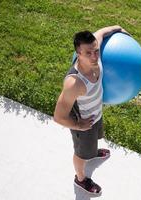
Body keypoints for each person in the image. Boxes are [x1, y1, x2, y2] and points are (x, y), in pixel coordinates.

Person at [53, 25, 128, 196]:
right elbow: (58, 116)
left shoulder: (96, 53)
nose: (94, 56)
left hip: (96, 114)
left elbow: (101, 33)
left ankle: (92, 152)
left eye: (96, 51)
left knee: (93, 143)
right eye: (88, 53)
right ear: (78, 54)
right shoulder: (74, 83)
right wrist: (79, 126)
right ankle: (80, 179)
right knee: (81, 154)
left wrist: (119, 29)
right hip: (84, 125)